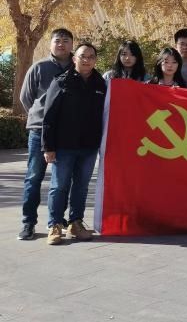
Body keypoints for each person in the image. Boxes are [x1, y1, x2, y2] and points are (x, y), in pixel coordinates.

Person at [41, 42, 106, 245]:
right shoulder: (61, 81)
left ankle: (75, 223)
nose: (87, 60)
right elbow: (49, 117)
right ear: (74, 58)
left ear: (95, 60)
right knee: (59, 186)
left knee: (81, 187)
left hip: (89, 147)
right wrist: (48, 147)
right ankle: (54, 224)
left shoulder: (101, 84)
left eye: (91, 56)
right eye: (82, 56)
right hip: (64, 146)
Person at [17, 28, 74, 241]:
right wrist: (40, 115)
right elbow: (26, 98)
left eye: (66, 41)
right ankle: (28, 223)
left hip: (66, 132)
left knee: (63, 179)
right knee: (34, 177)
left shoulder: (78, 67)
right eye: (57, 40)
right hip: (39, 131)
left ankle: (59, 219)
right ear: (51, 44)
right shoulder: (39, 67)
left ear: (71, 44)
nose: (61, 44)